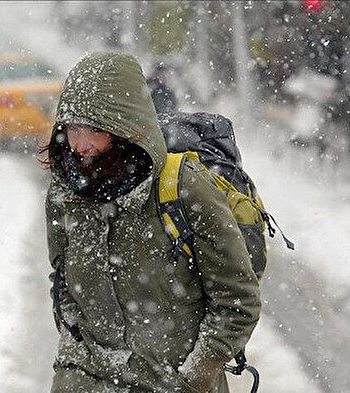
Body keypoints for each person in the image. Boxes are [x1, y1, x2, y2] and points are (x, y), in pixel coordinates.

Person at [42, 52, 260, 393]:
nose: (80, 145)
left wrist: (197, 373)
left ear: (125, 128)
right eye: (72, 129)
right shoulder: (67, 190)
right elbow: (63, 280)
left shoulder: (184, 187)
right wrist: (74, 351)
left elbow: (237, 300)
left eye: (95, 130)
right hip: (87, 379)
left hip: (172, 383)